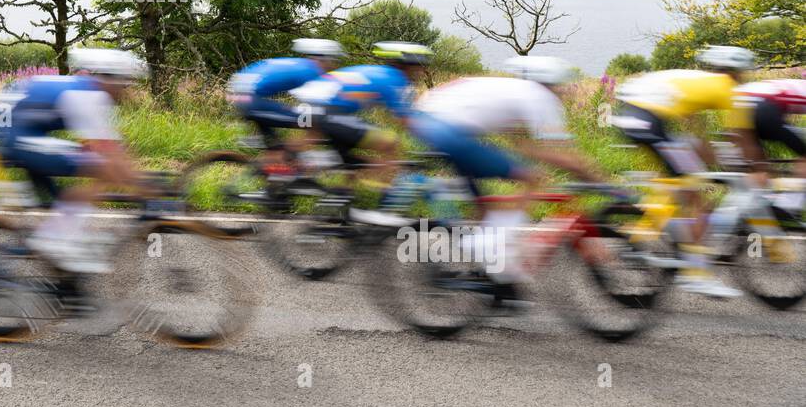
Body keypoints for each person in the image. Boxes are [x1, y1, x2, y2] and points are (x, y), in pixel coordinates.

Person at [405, 56, 606, 284]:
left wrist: (562, 166)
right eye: (560, 86)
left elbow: (525, 148)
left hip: (429, 122)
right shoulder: (539, 96)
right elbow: (562, 151)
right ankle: (503, 261)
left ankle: (486, 269)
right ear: (548, 84)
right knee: (532, 179)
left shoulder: (515, 91)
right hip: (449, 132)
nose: (563, 91)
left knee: (484, 207)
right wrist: (596, 178)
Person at [612, 45, 756, 298]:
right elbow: (742, 137)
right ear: (737, 73)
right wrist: (752, 166)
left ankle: (636, 241)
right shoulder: (728, 89)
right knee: (699, 197)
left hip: (632, 113)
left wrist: (708, 158)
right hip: (650, 119)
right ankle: (696, 276)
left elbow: (695, 134)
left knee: (680, 181)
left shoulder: (700, 84)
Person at [0, 47, 149, 273]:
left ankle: (59, 240)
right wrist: (145, 188)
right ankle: (53, 240)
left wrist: (132, 179)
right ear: (110, 80)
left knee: (95, 167)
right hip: (12, 135)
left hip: (17, 129)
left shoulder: (87, 91)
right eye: (125, 84)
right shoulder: (90, 96)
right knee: (101, 169)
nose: (127, 91)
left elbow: (98, 145)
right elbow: (113, 157)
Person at [288, 41, 433, 170]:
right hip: (329, 113)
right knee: (390, 144)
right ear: (406, 65)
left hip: (308, 106)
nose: (421, 72)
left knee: (343, 157)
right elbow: (406, 120)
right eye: (419, 67)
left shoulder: (376, 71)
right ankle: (386, 195)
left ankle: (283, 162)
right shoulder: (396, 79)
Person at [226, 39, 346, 172]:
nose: (333, 66)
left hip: (242, 95)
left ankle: (277, 170)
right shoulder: (312, 71)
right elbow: (319, 103)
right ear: (323, 59)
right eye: (333, 61)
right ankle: (293, 162)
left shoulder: (300, 64)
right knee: (313, 122)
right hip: (251, 100)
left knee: (278, 145)